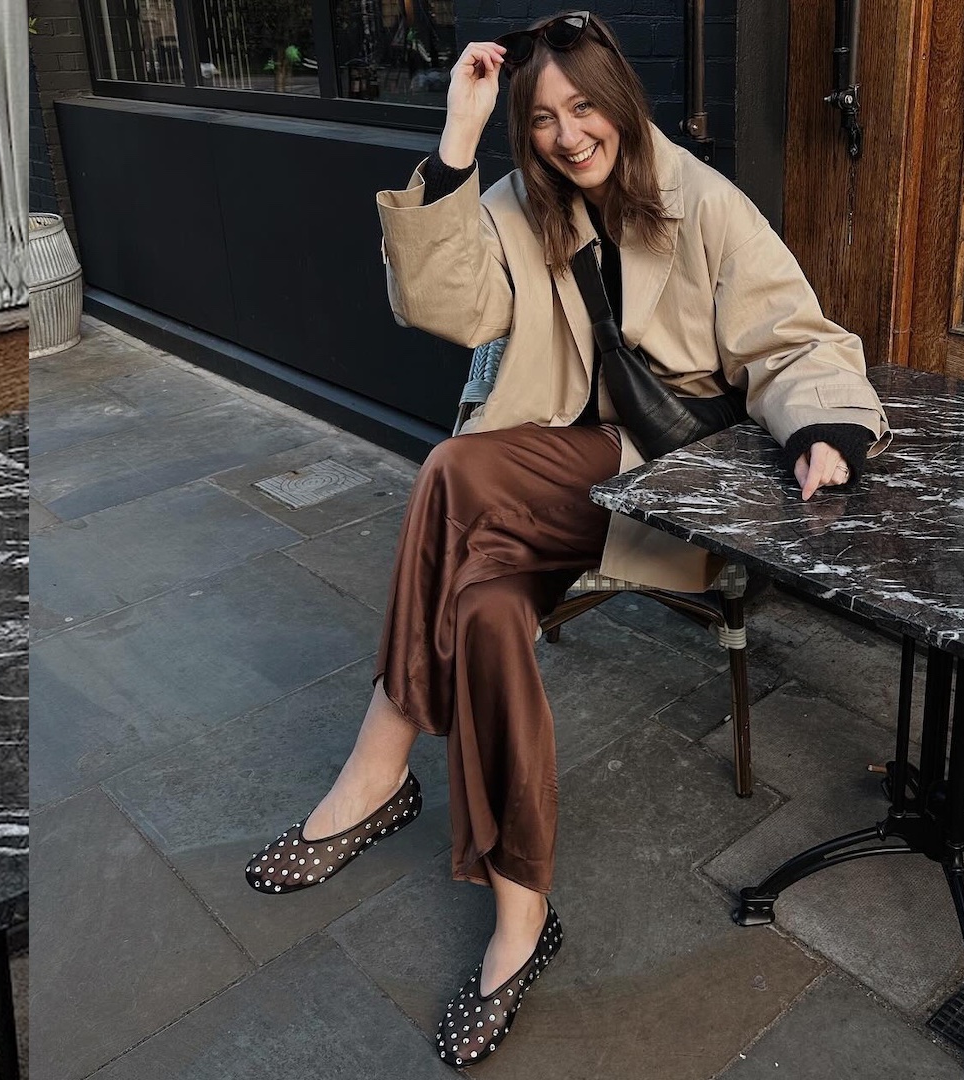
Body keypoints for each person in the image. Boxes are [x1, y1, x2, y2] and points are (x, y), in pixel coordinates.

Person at [244, 10, 891, 1068]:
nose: (567, 134)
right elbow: (445, 307)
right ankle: (522, 914)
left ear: (620, 100)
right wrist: (458, 143)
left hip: (663, 480)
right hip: (554, 470)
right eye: (542, 118)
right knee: (484, 607)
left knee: (454, 473)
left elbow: (795, 338)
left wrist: (824, 431)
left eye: (584, 107)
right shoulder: (520, 202)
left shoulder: (703, 202)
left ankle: (377, 767)